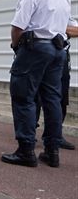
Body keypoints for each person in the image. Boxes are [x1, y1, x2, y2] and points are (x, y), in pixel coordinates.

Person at [1, 0, 70, 168]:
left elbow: (17, 27)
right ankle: (52, 151)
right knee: (52, 99)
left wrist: (16, 46)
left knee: (24, 97)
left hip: (35, 49)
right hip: (58, 51)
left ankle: (26, 150)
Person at [35, 17, 78, 150]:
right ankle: (29, 134)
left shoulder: (64, 11)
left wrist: (54, 27)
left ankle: (55, 135)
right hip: (37, 55)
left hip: (60, 56)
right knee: (34, 96)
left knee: (61, 97)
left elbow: (76, 30)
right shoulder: (36, 4)